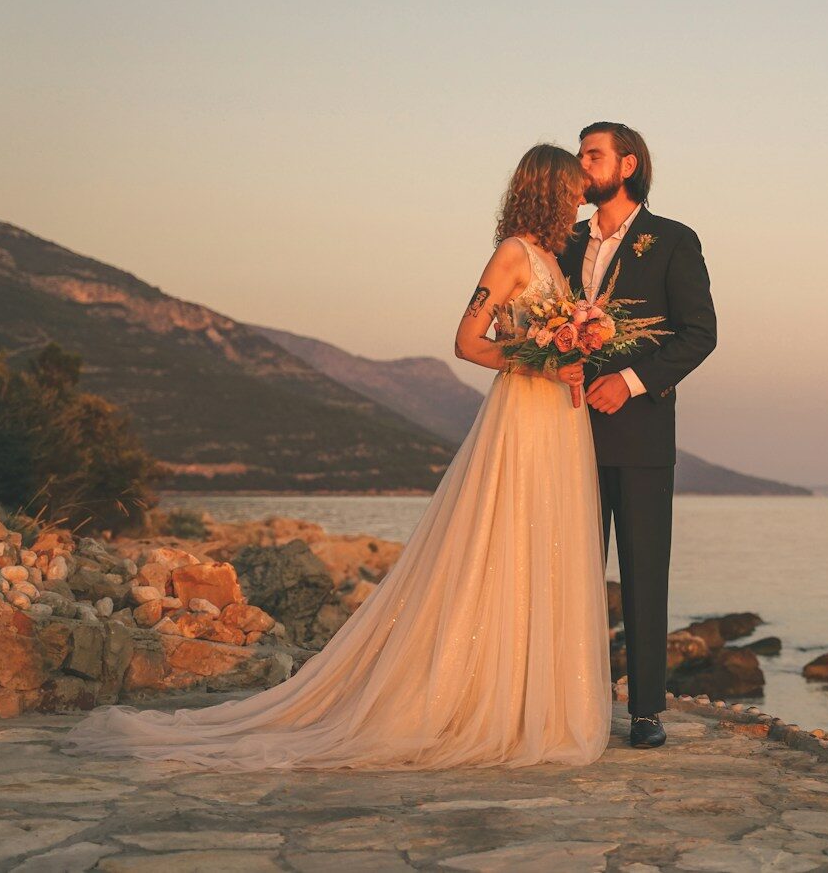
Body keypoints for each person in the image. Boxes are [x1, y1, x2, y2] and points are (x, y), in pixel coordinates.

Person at [61, 144, 611, 770]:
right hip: (521, 417)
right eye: (571, 189)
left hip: (558, 424)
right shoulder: (513, 253)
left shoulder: (552, 261)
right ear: (547, 190)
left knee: (544, 546)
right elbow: (465, 341)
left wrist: (573, 351)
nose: (578, 200)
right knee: (502, 540)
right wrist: (532, 357)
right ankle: (473, 695)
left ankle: (525, 698)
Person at [561, 121, 717, 749]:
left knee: (644, 572)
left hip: (642, 434)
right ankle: (570, 700)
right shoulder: (563, 242)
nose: (581, 165)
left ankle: (646, 710)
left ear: (627, 166)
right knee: (569, 571)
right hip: (564, 429)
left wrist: (629, 381)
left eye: (592, 155)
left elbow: (698, 334)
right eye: (579, 155)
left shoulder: (674, 240)